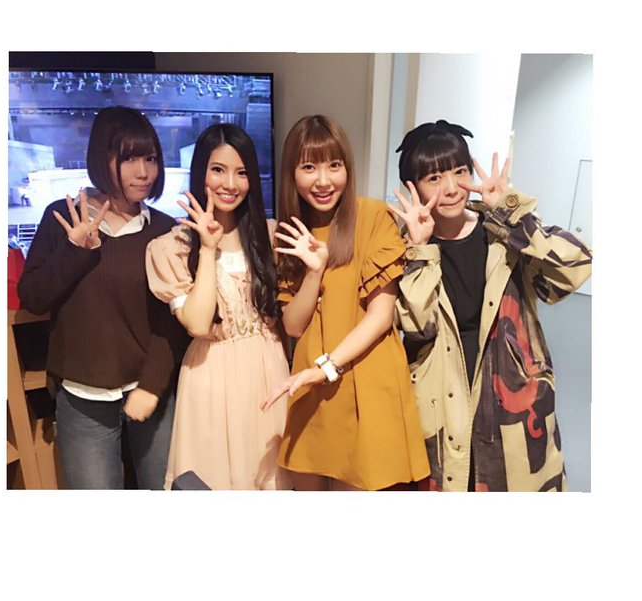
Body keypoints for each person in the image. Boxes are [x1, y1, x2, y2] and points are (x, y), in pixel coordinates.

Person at [390, 119, 592, 491]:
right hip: (442, 400)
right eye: (434, 177)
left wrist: (512, 214)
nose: (451, 188)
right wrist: (420, 251)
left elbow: (576, 267)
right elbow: (418, 326)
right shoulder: (405, 247)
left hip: (511, 399)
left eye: (459, 171)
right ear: (412, 187)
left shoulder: (502, 233)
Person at [18, 106, 187, 489]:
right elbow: (33, 298)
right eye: (128, 159)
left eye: (151, 159)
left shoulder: (164, 230)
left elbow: (172, 322)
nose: (143, 172)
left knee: (165, 493)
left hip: (151, 392)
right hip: (83, 397)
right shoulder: (64, 218)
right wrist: (75, 251)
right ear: (100, 157)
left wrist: (151, 385)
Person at [261, 114, 430, 491]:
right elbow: (293, 325)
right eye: (309, 167)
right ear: (292, 173)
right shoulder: (290, 234)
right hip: (312, 387)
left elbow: (381, 316)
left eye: (334, 165)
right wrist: (314, 271)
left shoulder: (373, 217)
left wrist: (326, 368)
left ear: (347, 169)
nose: (323, 181)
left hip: (366, 378)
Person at [146, 124, 292, 490]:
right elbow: (197, 324)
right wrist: (208, 249)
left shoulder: (269, 235)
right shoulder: (173, 247)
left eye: (241, 172)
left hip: (269, 371)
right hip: (211, 376)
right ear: (201, 172)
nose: (230, 183)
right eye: (218, 170)